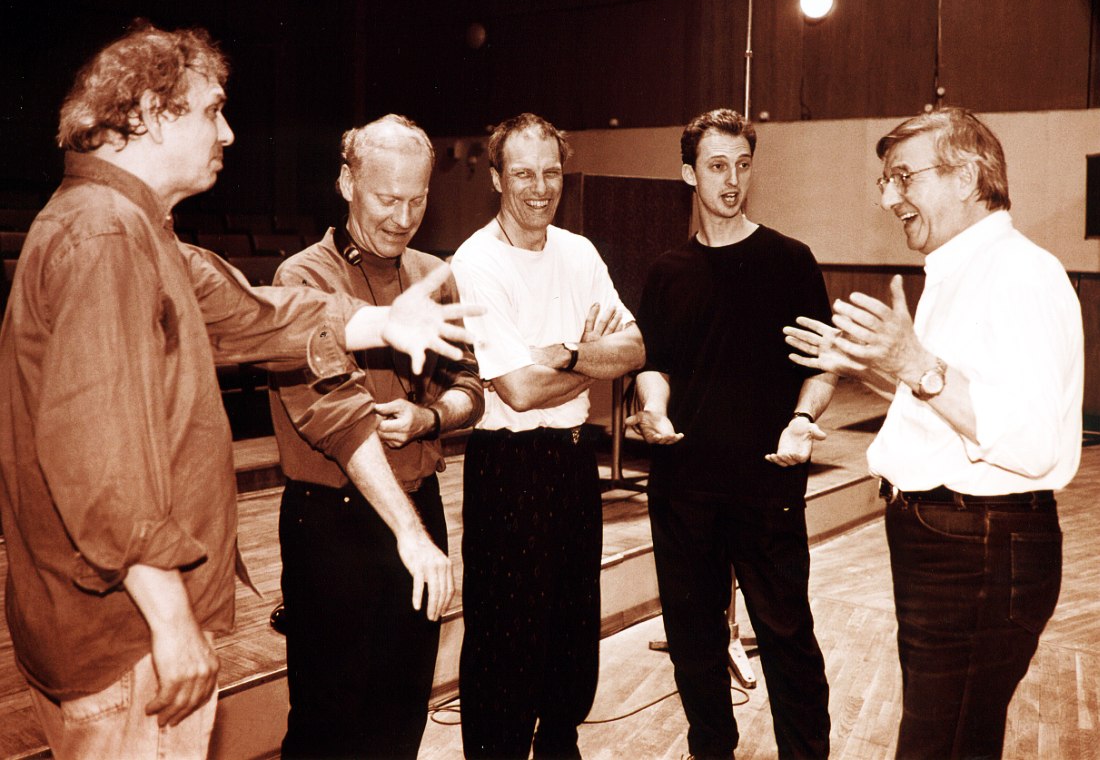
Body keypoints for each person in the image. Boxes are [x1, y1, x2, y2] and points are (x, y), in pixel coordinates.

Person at [0, 23, 479, 760]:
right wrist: (167, 616)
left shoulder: (135, 229)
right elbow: (95, 461)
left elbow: (251, 313)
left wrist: (382, 316)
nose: (226, 131)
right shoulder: (104, 238)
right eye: (211, 109)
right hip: (123, 633)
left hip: (121, 622)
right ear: (151, 113)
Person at [785, 107, 1082, 759]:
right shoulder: (965, 271)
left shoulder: (1019, 275)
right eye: (884, 183)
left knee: (937, 746)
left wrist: (914, 364)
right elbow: (952, 405)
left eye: (902, 178)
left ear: (967, 176)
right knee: (957, 742)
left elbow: (1029, 441)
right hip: (953, 540)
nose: (890, 197)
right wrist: (875, 366)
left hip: (979, 546)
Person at [268, 114, 484, 759]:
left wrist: (433, 418)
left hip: (420, 506)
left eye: (417, 199)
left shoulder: (433, 274)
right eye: (388, 199)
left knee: (402, 706)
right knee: (327, 720)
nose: (402, 216)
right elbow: (333, 413)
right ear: (346, 183)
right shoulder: (300, 279)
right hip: (330, 523)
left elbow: (472, 386)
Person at [627, 108, 835, 760]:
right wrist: (653, 407)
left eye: (743, 165)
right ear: (689, 171)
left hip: (766, 482)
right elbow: (654, 365)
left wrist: (803, 419)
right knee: (693, 641)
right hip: (684, 489)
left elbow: (823, 366)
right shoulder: (666, 272)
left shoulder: (789, 261)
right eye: (717, 165)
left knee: (786, 637)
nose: (732, 179)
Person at [450, 112, 645, 759]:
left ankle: (559, 743)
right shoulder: (476, 261)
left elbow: (636, 348)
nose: (540, 187)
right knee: (505, 643)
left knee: (570, 631)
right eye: (525, 173)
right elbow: (516, 391)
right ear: (498, 177)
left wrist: (559, 354)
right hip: (506, 466)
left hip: (570, 463)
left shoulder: (580, 253)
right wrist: (587, 353)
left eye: (551, 172)